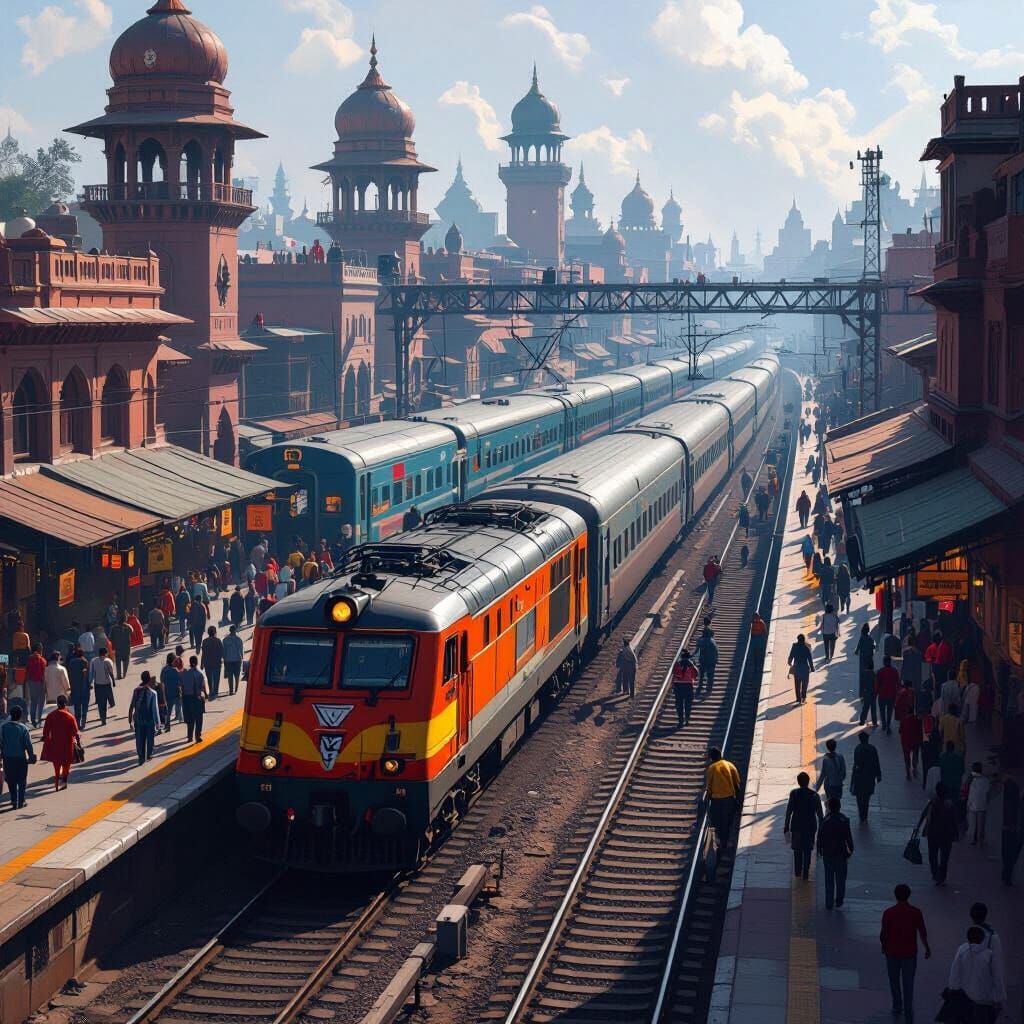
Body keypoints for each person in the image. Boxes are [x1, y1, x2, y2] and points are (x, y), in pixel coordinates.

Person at [879, 884, 931, 1021]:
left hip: (892, 952)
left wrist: (884, 947)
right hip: (909, 953)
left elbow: (884, 933)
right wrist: (927, 948)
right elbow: (922, 932)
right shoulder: (916, 912)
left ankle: (897, 1005)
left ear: (895, 895)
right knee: (908, 983)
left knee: (894, 980)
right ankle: (908, 1009)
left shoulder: (888, 913)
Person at [946, 926, 1005, 1023]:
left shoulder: (962, 950)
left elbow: (955, 971)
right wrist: (998, 998)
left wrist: (953, 988)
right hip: (984, 1000)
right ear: (982, 939)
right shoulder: (989, 955)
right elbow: (997, 977)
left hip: (964, 998)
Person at [784, 771, 822, 880]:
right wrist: (821, 828)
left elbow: (789, 811)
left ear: (798, 782)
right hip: (810, 826)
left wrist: (786, 825)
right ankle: (805, 872)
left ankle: (797, 871)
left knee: (797, 849)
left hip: (797, 826)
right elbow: (820, 814)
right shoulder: (815, 796)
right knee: (807, 849)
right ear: (808, 781)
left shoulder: (794, 794)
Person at [817, 796, 854, 909]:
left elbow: (820, 837)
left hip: (828, 854)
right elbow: (849, 838)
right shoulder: (844, 820)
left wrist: (820, 850)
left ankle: (829, 902)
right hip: (841, 853)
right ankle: (839, 901)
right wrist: (850, 851)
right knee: (841, 879)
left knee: (829, 879)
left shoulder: (825, 820)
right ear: (839, 807)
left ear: (829, 807)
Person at [40, 694, 79, 791]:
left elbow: (45, 732)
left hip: (55, 744)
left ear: (57, 703)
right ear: (65, 703)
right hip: (68, 744)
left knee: (57, 764)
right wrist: (77, 742)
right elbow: (75, 731)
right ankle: (64, 781)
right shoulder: (70, 716)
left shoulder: (51, 716)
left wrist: (46, 740)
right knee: (66, 764)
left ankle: (57, 780)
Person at [923, 782, 959, 885]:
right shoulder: (950, 805)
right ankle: (942, 876)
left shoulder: (933, 803)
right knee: (944, 857)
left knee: (932, 855)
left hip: (933, 834)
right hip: (947, 835)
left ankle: (935, 874)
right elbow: (954, 820)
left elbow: (927, 817)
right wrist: (956, 833)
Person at [705, 747, 741, 843]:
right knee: (728, 821)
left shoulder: (711, 768)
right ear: (720, 755)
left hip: (716, 801)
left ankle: (720, 840)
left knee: (718, 822)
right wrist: (738, 801)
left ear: (711, 758)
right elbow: (737, 784)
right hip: (729, 799)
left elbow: (709, 788)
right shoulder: (730, 765)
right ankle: (726, 841)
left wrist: (708, 802)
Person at [0, 706, 34, 809]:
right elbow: (28, 744)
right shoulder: (23, 728)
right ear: (20, 716)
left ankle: (14, 801)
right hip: (20, 758)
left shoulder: (3, 727)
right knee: (22, 780)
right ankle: (21, 801)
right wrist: (31, 756)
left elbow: (1, 742)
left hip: (8, 758)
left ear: (10, 715)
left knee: (11, 780)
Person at [128, 672, 160, 765]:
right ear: (149, 679)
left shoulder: (136, 691)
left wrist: (130, 721)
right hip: (149, 720)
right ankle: (149, 754)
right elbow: (155, 709)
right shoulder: (153, 693)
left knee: (139, 739)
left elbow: (131, 706)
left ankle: (141, 757)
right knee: (150, 738)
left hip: (138, 720)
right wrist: (157, 723)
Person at [850, 731, 882, 823]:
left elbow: (856, 764)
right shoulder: (872, 748)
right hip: (869, 777)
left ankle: (861, 814)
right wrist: (878, 775)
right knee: (867, 797)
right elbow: (876, 762)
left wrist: (853, 779)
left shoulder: (857, 749)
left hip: (859, 777)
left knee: (859, 797)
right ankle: (865, 815)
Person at [180, 656, 208, 743]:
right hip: (196, 698)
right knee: (199, 718)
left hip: (187, 698)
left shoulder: (185, 673)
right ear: (197, 663)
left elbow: (182, 686)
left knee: (190, 718)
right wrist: (206, 695)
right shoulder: (199, 674)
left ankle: (189, 736)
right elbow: (203, 687)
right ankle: (198, 735)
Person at [999, 776, 1022, 884]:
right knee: (1012, 850)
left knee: (1008, 850)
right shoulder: (1013, 786)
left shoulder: (1010, 786)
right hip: (1013, 825)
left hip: (1010, 825)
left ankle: (1007, 873)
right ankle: (1007, 873)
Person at [89, 647, 116, 726]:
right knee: (109, 699)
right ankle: (107, 710)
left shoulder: (94, 661)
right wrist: (113, 681)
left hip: (98, 685)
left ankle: (103, 718)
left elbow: (92, 673)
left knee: (101, 703)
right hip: (106, 684)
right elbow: (111, 673)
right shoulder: (108, 661)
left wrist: (90, 683)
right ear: (105, 653)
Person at [965, 763, 991, 846]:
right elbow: (988, 793)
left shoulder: (973, 780)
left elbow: (971, 794)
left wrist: (968, 804)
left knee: (974, 824)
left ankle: (975, 839)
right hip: (982, 805)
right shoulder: (985, 780)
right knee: (981, 824)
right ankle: (980, 840)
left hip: (973, 805)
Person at [856, 624, 877, 727]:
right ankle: (874, 721)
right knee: (870, 678)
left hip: (862, 660)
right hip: (869, 659)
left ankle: (862, 693)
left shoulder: (862, 638)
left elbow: (858, 647)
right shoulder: (870, 638)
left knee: (862, 678)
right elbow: (874, 647)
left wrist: (856, 652)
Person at [815, 738, 847, 804]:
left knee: (830, 803)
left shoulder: (826, 759)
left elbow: (823, 775)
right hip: (838, 785)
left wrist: (816, 788)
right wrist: (839, 779)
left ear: (827, 747)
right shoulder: (840, 757)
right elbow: (843, 772)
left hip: (829, 786)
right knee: (837, 802)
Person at [875, 655, 901, 735]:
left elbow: (877, 684)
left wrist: (875, 694)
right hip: (892, 694)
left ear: (884, 662)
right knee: (889, 711)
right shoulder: (894, 671)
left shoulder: (880, 671)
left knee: (882, 711)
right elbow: (898, 683)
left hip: (882, 694)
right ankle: (888, 725)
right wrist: (898, 694)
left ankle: (884, 724)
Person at [672, 650, 697, 727]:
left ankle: (680, 721)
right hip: (688, 686)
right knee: (688, 705)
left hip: (679, 687)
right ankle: (687, 720)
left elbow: (674, 675)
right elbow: (695, 674)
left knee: (679, 705)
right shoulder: (692, 665)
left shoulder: (678, 664)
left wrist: (673, 685)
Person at [66, 645, 90, 728]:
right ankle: (83, 722)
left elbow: (69, 674)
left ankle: (77, 723)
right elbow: (86, 675)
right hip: (84, 688)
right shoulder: (84, 661)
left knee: (77, 706)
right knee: (84, 706)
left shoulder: (71, 662)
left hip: (75, 688)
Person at [899, 703, 924, 781]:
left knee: (906, 757)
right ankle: (915, 769)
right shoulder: (917, 720)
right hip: (915, 741)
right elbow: (920, 731)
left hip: (906, 741)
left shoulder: (903, 720)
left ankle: (908, 773)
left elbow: (900, 730)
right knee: (915, 754)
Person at [788, 633, 814, 704]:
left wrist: (790, 663)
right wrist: (812, 668)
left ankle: (798, 699)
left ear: (798, 640)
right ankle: (803, 698)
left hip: (797, 668)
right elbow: (810, 659)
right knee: (805, 684)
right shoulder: (807, 648)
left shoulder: (794, 646)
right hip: (805, 669)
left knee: (797, 684)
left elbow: (791, 656)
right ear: (804, 640)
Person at [26, 643, 47, 728]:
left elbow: (27, 670)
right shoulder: (41, 659)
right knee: (41, 701)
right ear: (39, 649)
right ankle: (39, 719)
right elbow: (44, 672)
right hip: (40, 682)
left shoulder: (30, 658)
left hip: (31, 682)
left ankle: (33, 719)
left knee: (33, 701)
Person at [200, 626, 224, 700]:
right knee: (216, 678)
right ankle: (215, 692)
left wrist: (202, 663)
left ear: (208, 633)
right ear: (215, 632)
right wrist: (221, 659)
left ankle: (211, 691)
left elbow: (203, 653)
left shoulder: (205, 641)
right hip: (217, 662)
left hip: (208, 663)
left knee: (209, 678)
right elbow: (222, 652)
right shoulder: (218, 641)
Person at [160, 653, 182, 730]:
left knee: (168, 712)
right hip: (175, 694)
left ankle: (167, 726)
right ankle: (181, 718)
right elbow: (179, 683)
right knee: (180, 706)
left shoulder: (164, 670)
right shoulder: (175, 670)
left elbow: (162, 681)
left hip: (167, 694)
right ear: (172, 660)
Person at [109, 613, 133, 680]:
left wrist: (114, 644)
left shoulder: (113, 628)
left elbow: (110, 638)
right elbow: (132, 632)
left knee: (118, 661)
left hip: (117, 647)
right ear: (125, 619)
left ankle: (119, 675)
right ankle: (124, 674)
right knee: (126, 661)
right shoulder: (128, 626)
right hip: (126, 647)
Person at [695, 628, 718, 695]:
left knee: (701, 675)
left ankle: (700, 686)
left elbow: (696, 651)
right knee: (710, 675)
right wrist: (716, 659)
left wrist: (690, 656)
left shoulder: (701, 641)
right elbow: (716, 651)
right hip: (711, 661)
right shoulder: (712, 641)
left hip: (703, 660)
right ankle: (709, 688)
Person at [223, 625, 244, 696]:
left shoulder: (225, 640)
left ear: (230, 630)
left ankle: (231, 690)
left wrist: (224, 658)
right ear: (235, 630)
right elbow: (241, 650)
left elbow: (224, 651)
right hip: (237, 659)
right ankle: (236, 689)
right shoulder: (239, 639)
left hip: (228, 660)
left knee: (230, 676)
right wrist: (242, 657)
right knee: (237, 675)